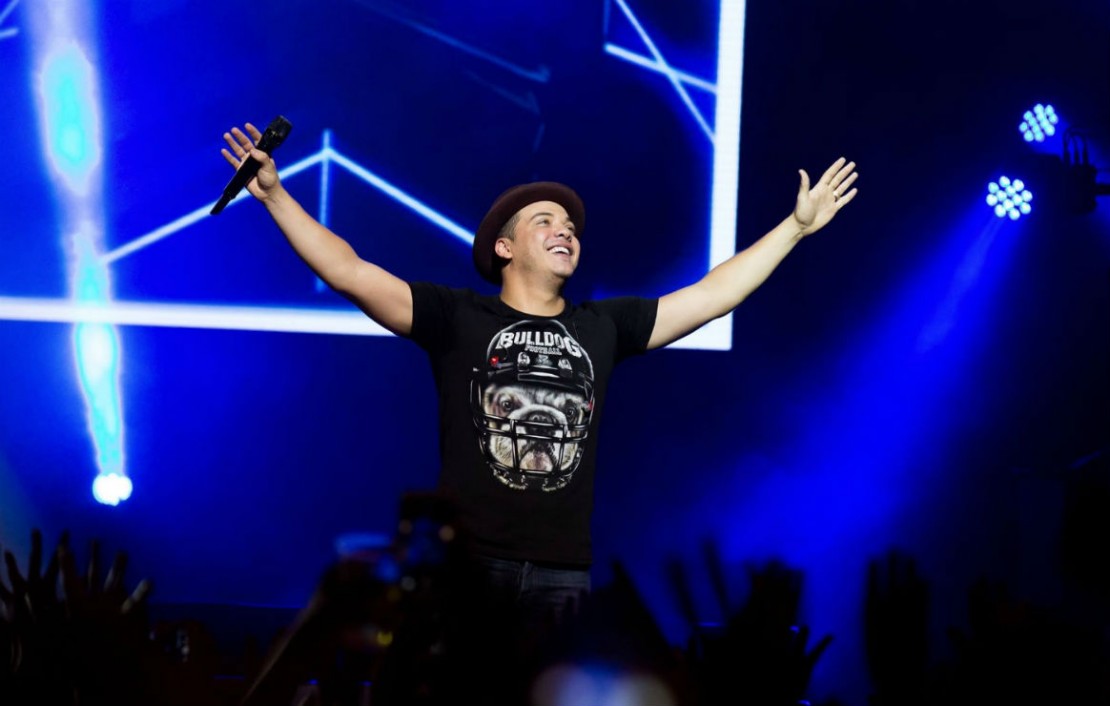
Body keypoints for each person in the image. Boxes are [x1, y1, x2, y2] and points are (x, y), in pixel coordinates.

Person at [220, 123, 858, 633]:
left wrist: (795, 228)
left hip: (562, 573)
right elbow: (350, 271)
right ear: (504, 247)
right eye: (545, 222)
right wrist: (275, 194)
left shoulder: (602, 326)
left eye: (571, 227)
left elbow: (714, 294)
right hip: (469, 568)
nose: (566, 232)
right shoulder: (457, 317)